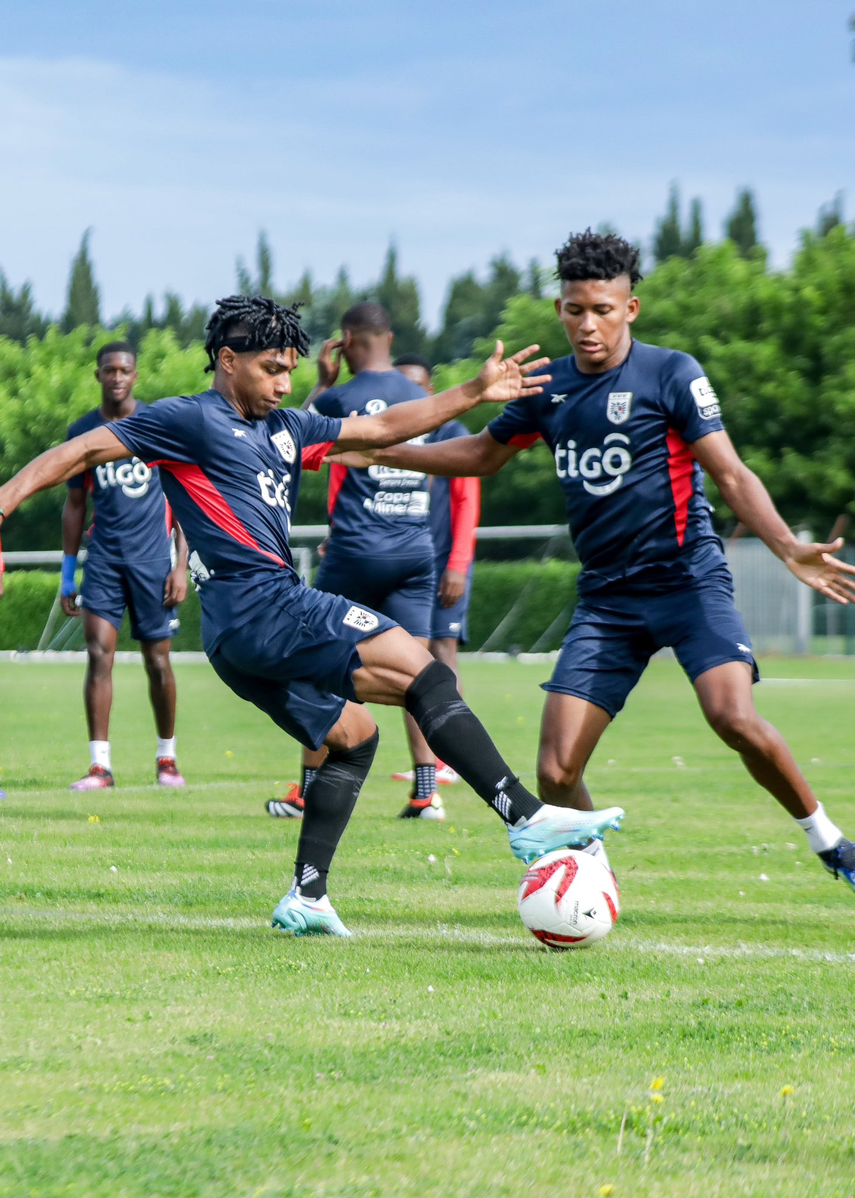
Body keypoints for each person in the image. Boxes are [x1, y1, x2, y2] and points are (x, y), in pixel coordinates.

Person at [0, 294, 624, 937]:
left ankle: (308, 895)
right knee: (427, 674)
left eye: (290, 369)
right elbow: (75, 454)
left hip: (235, 641)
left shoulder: (289, 429)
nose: (285, 383)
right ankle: (526, 819)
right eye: (271, 368)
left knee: (353, 739)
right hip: (265, 605)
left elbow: (382, 429)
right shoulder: (189, 421)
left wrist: (473, 390)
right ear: (226, 360)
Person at [353, 230, 855, 895]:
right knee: (556, 770)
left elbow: (730, 475)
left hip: (686, 578)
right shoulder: (545, 387)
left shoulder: (671, 373)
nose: (587, 325)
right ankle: (591, 879)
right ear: (559, 308)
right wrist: (386, 453)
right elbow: (479, 455)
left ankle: (830, 843)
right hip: (606, 599)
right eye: (573, 309)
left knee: (731, 717)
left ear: (630, 308)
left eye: (602, 309)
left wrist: (786, 545)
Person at [270, 303, 445, 822]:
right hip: (416, 550)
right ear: (388, 337)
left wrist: (321, 386)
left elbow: (284, 443)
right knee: (420, 672)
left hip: (357, 550)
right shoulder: (421, 398)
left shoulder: (342, 397)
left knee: (317, 663)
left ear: (345, 342)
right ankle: (427, 792)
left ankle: (305, 790)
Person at [61, 341, 189, 791]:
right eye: (109, 370)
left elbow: (185, 495)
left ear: (135, 375)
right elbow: (75, 504)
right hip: (104, 563)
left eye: (124, 370)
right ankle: (100, 767)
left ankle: (167, 759)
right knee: (99, 656)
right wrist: (66, 573)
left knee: (158, 662)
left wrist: (181, 565)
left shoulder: (159, 424)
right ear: (98, 375)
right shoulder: (82, 432)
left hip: (154, 563)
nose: (117, 377)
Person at [389, 354, 480, 788]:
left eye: (417, 386)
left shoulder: (450, 433)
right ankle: (430, 759)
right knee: (412, 658)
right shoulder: (390, 434)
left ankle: (453, 756)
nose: (410, 393)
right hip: (405, 568)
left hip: (445, 564)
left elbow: (466, 503)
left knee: (442, 653)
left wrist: (458, 565)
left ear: (429, 390)